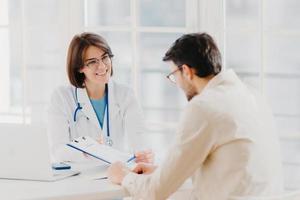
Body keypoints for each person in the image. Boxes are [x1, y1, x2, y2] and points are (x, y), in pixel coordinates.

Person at [107, 33, 283, 199]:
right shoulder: (251, 95)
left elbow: (155, 192)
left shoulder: (203, 107)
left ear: (186, 71)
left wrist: (123, 176)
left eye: (173, 76)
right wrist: (160, 172)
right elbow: (224, 170)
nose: (177, 84)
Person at [47, 32, 153, 163]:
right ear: (79, 68)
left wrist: (143, 154)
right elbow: (58, 150)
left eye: (105, 57)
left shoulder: (125, 94)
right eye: (92, 62)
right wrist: (86, 150)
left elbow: (139, 136)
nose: (102, 66)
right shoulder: (62, 97)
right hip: (79, 175)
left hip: (116, 172)